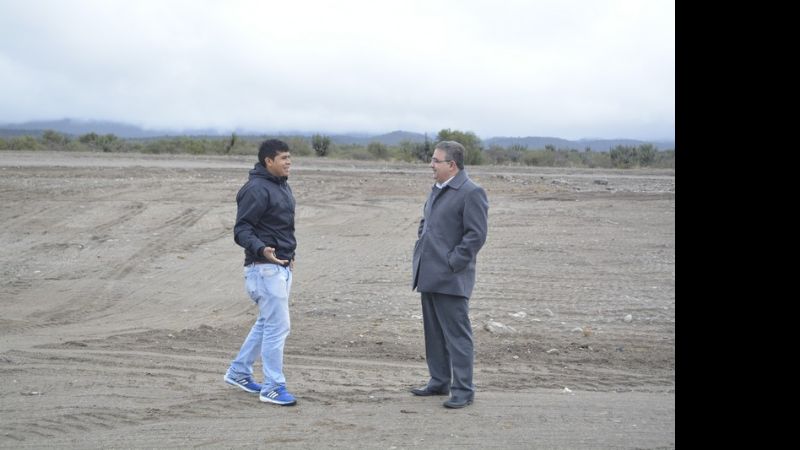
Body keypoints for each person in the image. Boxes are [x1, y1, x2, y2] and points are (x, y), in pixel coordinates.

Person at [411, 140, 489, 409]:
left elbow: (476, 235)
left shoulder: (471, 192)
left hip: (451, 277)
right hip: (428, 273)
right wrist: (423, 244)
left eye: (435, 161)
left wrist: (452, 262)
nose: (431, 165)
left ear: (451, 165)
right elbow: (427, 223)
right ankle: (439, 381)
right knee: (434, 334)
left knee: (457, 336)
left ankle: (463, 390)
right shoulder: (438, 188)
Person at [223, 138, 298, 406]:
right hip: (264, 269)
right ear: (268, 161)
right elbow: (241, 230)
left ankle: (239, 372)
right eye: (283, 158)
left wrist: (288, 257)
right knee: (278, 326)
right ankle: (273, 387)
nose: (289, 162)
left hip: (278, 267)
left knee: (267, 324)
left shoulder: (280, 185)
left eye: (289, 158)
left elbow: (280, 227)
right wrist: (262, 250)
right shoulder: (256, 189)